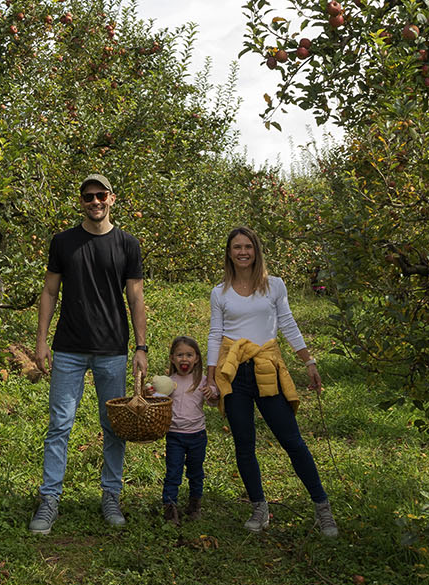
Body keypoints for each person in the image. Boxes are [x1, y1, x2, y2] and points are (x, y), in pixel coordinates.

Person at [29, 174, 148, 535]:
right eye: (88, 196)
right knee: (59, 425)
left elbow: (136, 297)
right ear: (81, 201)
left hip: (112, 349)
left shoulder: (128, 244)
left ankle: (111, 494)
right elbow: (50, 292)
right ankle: (49, 498)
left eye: (100, 195)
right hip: (68, 348)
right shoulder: (63, 242)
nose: (94, 201)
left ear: (112, 199)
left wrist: (141, 347)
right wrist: (41, 340)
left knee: (113, 426)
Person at [205, 226, 338, 537]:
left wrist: (309, 361)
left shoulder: (274, 286)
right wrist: (210, 377)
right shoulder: (219, 292)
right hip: (234, 370)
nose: (242, 252)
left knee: (292, 439)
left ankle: (322, 508)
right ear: (229, 252)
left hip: (268, 366)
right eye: (236, 247)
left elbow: (288, 322)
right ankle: (259, 507)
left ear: (256, 250)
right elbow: (215, 334)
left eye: (247, 247)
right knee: (244, 443)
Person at [145, 336, 219, 525]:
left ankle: (194, 505)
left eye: (189, 355)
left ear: (196, 359)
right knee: (173, 472)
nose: (184, 359)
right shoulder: (169, 383)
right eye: (179, 355)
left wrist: (213, 393)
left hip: (197, 435)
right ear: (172, 358)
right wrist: (151, 394)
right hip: (175, 436)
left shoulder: (202, 381)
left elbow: (213, 402)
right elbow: (158, 400)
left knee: (196, 472)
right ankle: (170, 509)